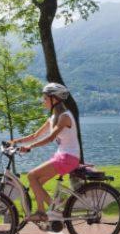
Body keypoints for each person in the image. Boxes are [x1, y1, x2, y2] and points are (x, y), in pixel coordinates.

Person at [9, 82, 81, 223]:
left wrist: (30, 147)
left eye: (45, 98)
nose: (43, 101)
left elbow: (50, 138)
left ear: (55, 99)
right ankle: (55, 211)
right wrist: (14, 142)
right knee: (37, 183)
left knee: (32, 176)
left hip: (69, 157)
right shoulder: (53, 118)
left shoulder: (64, 117)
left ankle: (42, 212)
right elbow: (35, 135)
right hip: (62, 156)